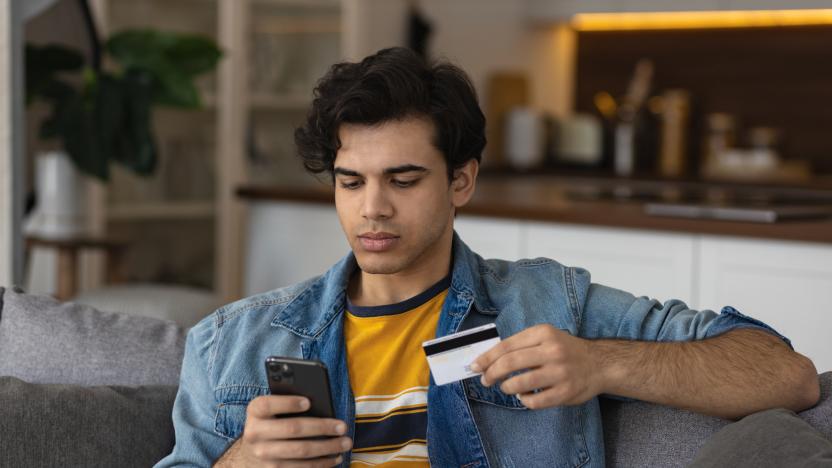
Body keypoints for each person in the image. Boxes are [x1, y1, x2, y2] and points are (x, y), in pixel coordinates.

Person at [155, 47, 820, 468]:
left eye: (404, 179)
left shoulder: (550, 305)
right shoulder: (231, 340)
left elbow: (787, 377)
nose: (372, 210)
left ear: (462, 181)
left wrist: (599, 361)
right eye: (351, 182)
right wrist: (241, 462)